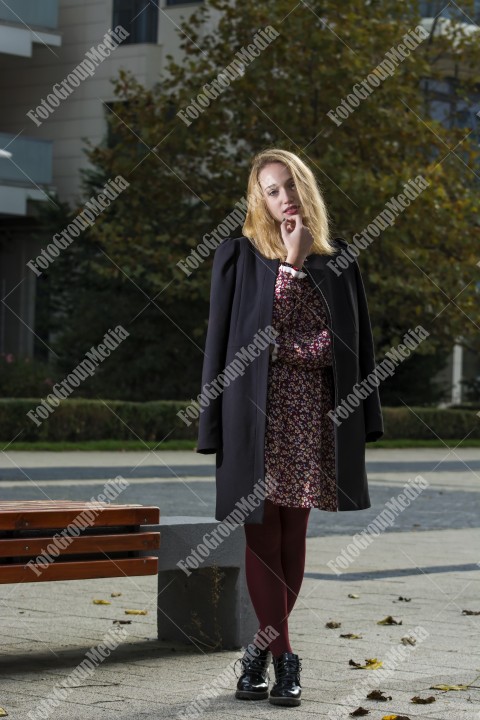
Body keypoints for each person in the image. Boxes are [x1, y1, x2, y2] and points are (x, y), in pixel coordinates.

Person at [196, 148, 383, 707]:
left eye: (291, 186)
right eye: (272, 190)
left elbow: (348, 350)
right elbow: (234, 346)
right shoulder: (238, 257)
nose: (284, 199)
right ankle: (285, 661)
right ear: (260, 198)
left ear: (306, 188)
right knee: (260, 537)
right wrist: (291, 269)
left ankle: (257, 655)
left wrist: (300, 346)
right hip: (252, 418)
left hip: (309, 419)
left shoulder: (340, 259)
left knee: (292, 538)